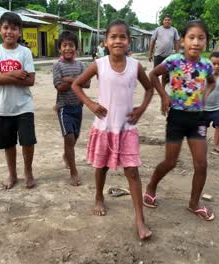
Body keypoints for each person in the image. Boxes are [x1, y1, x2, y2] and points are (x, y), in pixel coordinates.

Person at [72, 20, 153, 240]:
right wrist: (90, 104)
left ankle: (139, 219)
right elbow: (76, 85)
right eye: (113, 37)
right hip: (105, 128)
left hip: (126, 128)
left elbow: (149, 89)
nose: (118, 40)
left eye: (122, 37)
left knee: (132, 172)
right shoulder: (99, 64)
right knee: (101, 167)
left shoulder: (135, 66)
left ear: (129, 42)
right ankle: (99, 195)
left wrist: (141, 110)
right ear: (106, 42)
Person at [144, 20, 216, 221]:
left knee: (201, 164)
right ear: (182, 40)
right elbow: (153, 74)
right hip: (176, 117)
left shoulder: (206, 65)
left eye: (201, 38)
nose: (196, 42)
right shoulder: (173, 61)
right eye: (191, 37)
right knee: (170, 161)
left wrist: (205, 95)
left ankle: (194, 203)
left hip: (198, 119)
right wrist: (164, 96)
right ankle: (151, 186)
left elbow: (211, 82)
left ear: (206, 42)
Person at [0, 12, 37, 189]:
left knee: (28, 142)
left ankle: (28, 172)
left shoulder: (25, 52)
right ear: (0, 30)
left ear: (20, 32)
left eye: (14, 28)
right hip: (3, 107)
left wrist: (1, 76)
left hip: (24, 106)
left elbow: (30, 80)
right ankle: (12, 174)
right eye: (6, 27)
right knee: (9, 144)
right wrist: (14, 74)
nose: (10, 31)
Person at [53, 31, 90, 186]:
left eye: (71, 45)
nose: (68, 48)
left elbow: (87, 84)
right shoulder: (57, 66)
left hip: (78, 107)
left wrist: (70, 80)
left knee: (74, 137)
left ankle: (67, 155)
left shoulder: (81, 65)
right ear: (60, 49)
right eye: (64, 45)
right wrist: (77, 82)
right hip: (64, 108)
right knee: (68, 137)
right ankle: (73, 172)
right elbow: (59, 86)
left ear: (76, 48)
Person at [148, 15, 180, 87]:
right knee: (155, 72)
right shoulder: (158, 29)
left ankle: (163, 87)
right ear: (163, 21)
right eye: (165, 20)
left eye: (169, 20)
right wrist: (150, 54)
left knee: (165, 73)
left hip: (168, 55)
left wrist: (177, 54)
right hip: (158, 55)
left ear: (171, 21)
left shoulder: (174, 30)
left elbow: (177, 41)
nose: (167, 21)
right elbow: (152, 41)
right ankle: (157, 86)